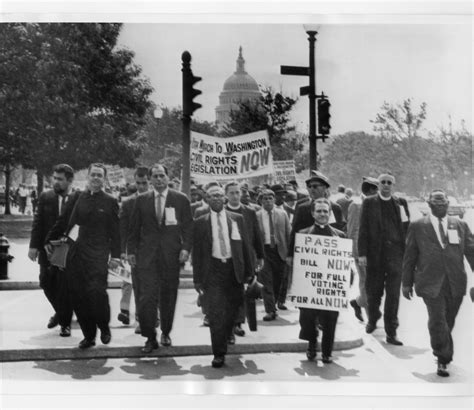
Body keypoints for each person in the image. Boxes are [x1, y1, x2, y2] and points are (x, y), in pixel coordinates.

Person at [46, 163, 121, 349]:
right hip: (77, 254)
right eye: (93, 175)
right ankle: (89, 336)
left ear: (104, 179)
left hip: (99, 255)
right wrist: (49, 238)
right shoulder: (78, 197)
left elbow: (116, 232)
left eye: (99, 175)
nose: (96, 178)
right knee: (79, 296)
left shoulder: (110, 201)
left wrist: (116, 256)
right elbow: (65, 221)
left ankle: (104, 326)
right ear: (88, 177)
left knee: (97, 293)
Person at [402, 189, 474, 377]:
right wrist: (406, 282)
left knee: (448, 320)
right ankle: (443, 358)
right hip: (429, 282)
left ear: (448, 205)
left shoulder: (460, 225)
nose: (440, 206)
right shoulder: (417, 226)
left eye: (443, 203)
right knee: (438, 320)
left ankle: (442, 345)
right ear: (430, 204)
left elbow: (472, 252)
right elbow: (410, 256)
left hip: (455, 282)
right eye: (436, 203)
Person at [127, 164, 193, 353]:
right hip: (147, 258)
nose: (158, 179)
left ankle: (165, 331)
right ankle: (149, 337)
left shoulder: (180, 199)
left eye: (162, 175)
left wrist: (186, 249)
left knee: (168, 296)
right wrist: (131, 251)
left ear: (167, 177)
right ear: (150, 179)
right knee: (146, 298)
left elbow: (188, 227)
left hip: (171, 257)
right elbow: (133, 229)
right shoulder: (142, 200)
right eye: (155, 176)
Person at [192, 185, 254, 368]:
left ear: (224, 199)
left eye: (219, 195)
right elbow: (197, 254)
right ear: (207, 200)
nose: (217, 198)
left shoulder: (237, 219)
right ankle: (218, 353)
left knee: (233, 310)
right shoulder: (200, 222)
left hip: (233, 270)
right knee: (216, 313)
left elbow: (245, 247)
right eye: (213, 196)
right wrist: (197, 278)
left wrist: (250, 273)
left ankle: (227, 334)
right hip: (213, 271)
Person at [291, 198, 345, 363]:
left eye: (325, 211)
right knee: (307, 319)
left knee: (330, 320)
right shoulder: (302, 234)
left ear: (330, 214)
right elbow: (298, 262)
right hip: (309, 286)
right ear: (313, 213)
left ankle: (327, 352)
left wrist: (343, 283)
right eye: (319, 211)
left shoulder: (340, 236)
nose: (322, 214)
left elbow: (344, 262)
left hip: (330, 286)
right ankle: (312, 343)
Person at [358, 172, 409, 345]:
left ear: (393, 185)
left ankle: (391, 332)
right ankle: (372, 318)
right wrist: (362, 254)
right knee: (374, 292)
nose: (386, 185)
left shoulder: (400, 203)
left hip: (395, 256)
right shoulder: (369, 202)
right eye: (383, 182)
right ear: (378, 185)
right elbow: (363, 228)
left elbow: (406, 228)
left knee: (393, 295)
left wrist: (406, 254)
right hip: (375, 255)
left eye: (389, 182)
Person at [28, 164, 77, 337]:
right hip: (47, 249)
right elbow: (38, 222)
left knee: (64, 286)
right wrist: (34, 246)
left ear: (70, 180)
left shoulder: (78, 198)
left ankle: (65, 324)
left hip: (69, 250)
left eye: (60, 179)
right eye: (54, 178)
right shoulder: (46, 197)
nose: (55, 182)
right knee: (45, 282)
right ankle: (61, 312)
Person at [117, 167, 159, 334]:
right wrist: (123, 251)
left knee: (155, 286)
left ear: (149, 181)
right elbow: (123, 229)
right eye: (138, 183)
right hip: (136, 252)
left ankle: (154, 316)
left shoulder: (158, 199)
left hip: (155, 250)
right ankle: (141, 320)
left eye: (144, 183)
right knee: (138, 286)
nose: (141, 186)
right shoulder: (128, 202)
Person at [224, 182, 264, 338]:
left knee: (243, 291)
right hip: (228, 258)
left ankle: (238, 323)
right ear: (226, 195)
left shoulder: (249, 211)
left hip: (246, 258)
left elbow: (256, 235)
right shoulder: (223, 211)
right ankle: (230, 324)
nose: (235, 196)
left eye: (237, 192)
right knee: (229, 292)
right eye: (231, 193)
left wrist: (260, 256)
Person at [347, 177, 379, 322]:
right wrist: (357, 253)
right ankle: (370, 315)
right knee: (366, 281)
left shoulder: (378, 204)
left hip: (377, 251)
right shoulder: (356, 205)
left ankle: (358, 302)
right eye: (377, 189)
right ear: (371, 190)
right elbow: (352, 230)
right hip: (362, 252)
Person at [256, 189, 291, 320]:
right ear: (261, 201)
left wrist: (290, 254)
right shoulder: (257, 215)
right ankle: (270, 310)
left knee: (278, 281)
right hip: (264, 251)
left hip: (279, 251)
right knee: (266, 282)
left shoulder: (283, 214)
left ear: (274, 200)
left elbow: (288, 234)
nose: (268, 201)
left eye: (271, 198)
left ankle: (274, 303)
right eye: (265, 199)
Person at [290, 171, 344, 253]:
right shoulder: (302, 207)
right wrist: (290, 254)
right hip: (307, 252)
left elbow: (340, 231)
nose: (312, 189)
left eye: (315, 186)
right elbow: (295, 231)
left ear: (324, 188)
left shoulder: (335, 208)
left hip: (330, 252)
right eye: (309, 186)